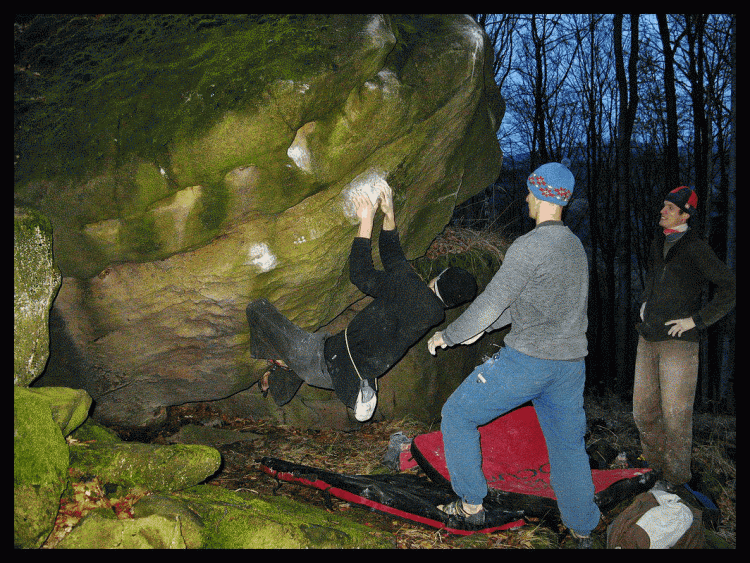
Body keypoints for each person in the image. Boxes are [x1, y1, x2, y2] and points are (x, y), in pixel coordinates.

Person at [427, 161, 600, 546]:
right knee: (568, 447)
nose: (526, 198)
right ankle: (583, 527)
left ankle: (471, 504)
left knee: (457, 414)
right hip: (570, 367)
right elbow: (528, 302)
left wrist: (450, 336)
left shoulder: (530, 246)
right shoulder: (573, 246)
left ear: (543, 196)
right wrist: (485, 330)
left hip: (529, 363)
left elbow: (492, 301)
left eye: (530, 191)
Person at [246, 180, 477, 422]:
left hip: (323, 358)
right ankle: (281, 381)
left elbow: (361, 274)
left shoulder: (410, 287)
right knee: (301, 364)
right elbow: (394, 257)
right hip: (342, 372)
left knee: (257, 309)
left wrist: (366, 221)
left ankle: (282, 360)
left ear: (439, 277)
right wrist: (389, 216)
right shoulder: (431, 314)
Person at [634, 186, 735, 489]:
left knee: (676, 417)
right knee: (643, 412)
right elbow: (655, 278)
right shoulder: (658, 242)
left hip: (679, 345)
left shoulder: (696, 248)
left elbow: (730, 286)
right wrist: (645, 300)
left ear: (684, 214)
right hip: (648, 338)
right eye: (663, 205)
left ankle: (676, 482)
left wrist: (697, 320)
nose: (662, 211)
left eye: (669, 207)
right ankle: (654, 472)